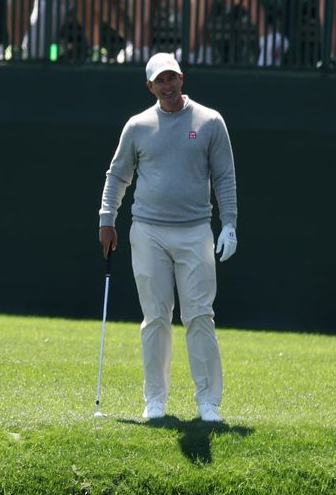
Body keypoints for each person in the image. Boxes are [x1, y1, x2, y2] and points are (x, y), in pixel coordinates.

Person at [97, 51, 237, 424]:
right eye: (160, 80)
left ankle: (208, 402)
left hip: (195, 230)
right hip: (148, 231)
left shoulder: (210, 121)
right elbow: (117, 175)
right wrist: (107, 219)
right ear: (150, 86)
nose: (167, 85)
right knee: (156, 317)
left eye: (171, 77)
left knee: (200, 316)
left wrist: (230, 224)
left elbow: (224, 177)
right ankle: (155, 401)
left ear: (182, 78)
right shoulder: (137, 126)